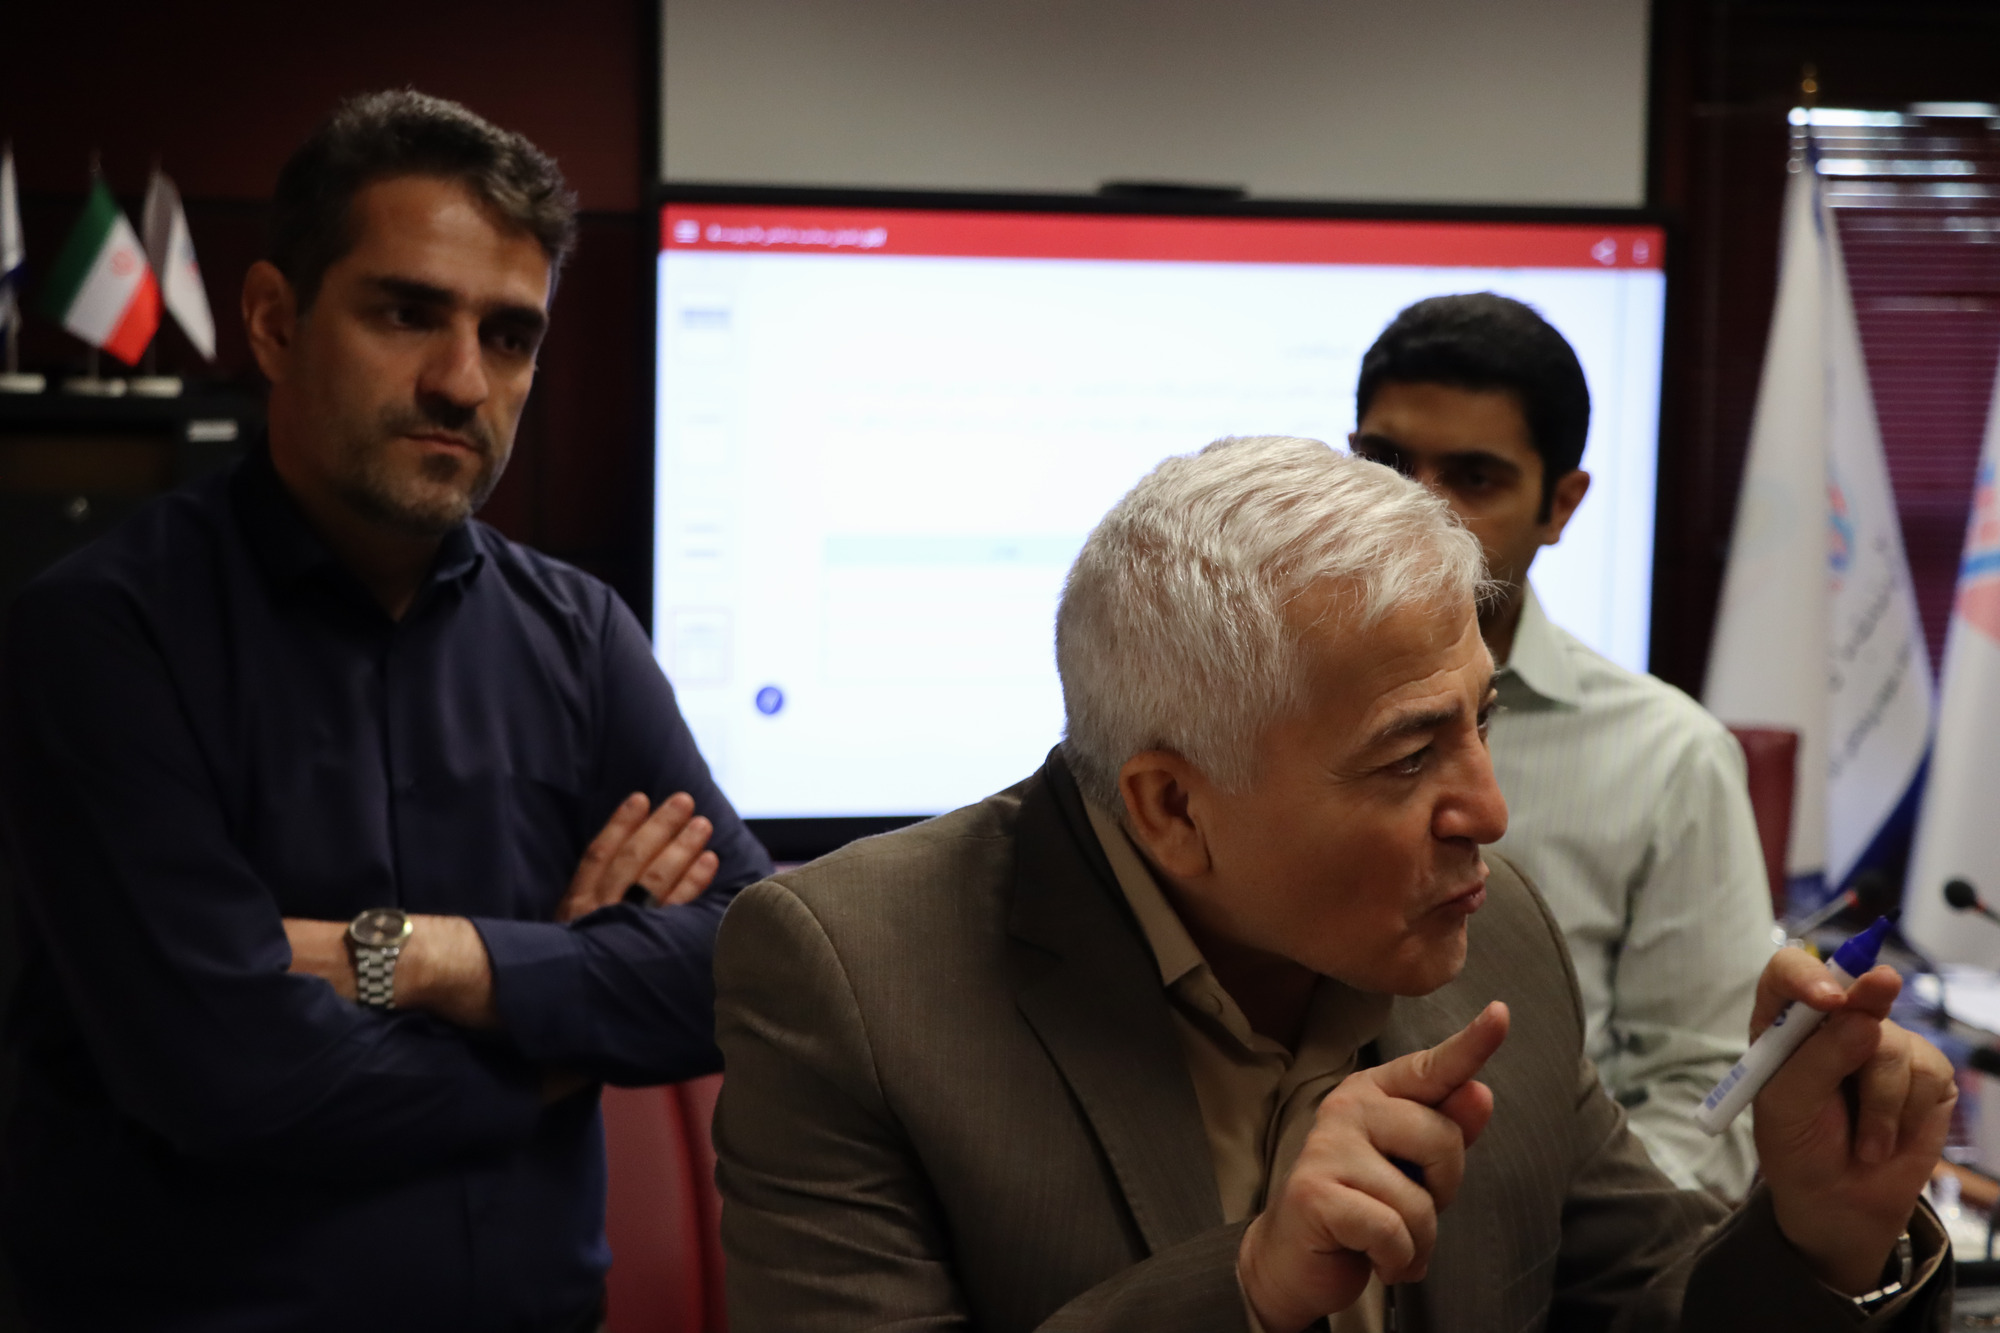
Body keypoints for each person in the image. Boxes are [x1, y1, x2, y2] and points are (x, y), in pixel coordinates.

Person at [712, 435, 1952, 1332]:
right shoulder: (857, 979)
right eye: (1409, 756)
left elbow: (1642, 1303)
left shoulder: (1493, 933)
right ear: (1172, 807)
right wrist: (1246, 1289)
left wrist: (1820, 1233)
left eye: (1480, 721)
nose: (1489, 813)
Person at [0, 91, 770, 1331]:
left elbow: (748, 968)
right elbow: (231, 1078)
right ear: (273, 319)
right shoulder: (100, 637)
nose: (462, 381)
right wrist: (566, 1024)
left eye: (509, 335)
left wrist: (424, 958)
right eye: (408, 313)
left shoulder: (579, 634)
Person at [1348, 293, 1775, 1198]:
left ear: (1561, 504)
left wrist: (1557, 1237)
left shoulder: (1670, 756)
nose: (1416, 512)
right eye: (1385, 465)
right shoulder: (1258, 711)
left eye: (1473, 478)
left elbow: (1704, 1090)